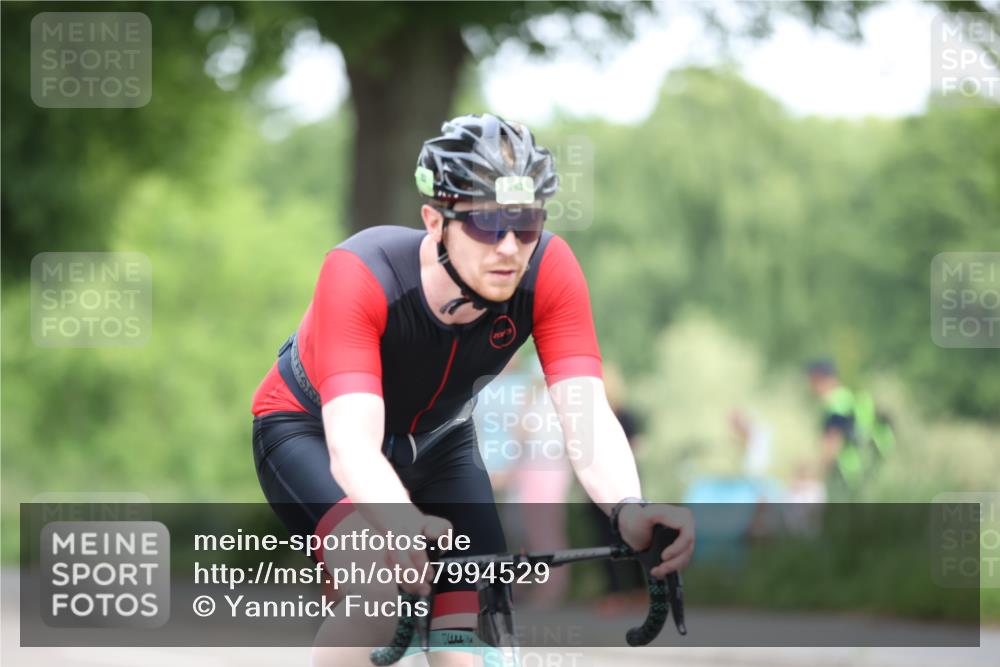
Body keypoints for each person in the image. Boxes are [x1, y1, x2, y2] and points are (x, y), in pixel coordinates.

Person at [250, 113, 695, 666]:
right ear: (435, 222)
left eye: (526, 223)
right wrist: (398, 520)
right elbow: (352, 446)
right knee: (376, 593)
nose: (509, 247)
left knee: (463, 640)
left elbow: (586, 416)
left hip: (440, 445)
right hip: (309, 431)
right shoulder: (361, 271)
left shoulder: (549, 271)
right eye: (486, 224)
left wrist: (627, 506)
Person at [806, 359, 895, 499]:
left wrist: (814, 476)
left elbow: (833, 443)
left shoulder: (836, 404)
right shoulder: (846, 397)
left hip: (845, 472)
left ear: (817, 377)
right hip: (860, 470)